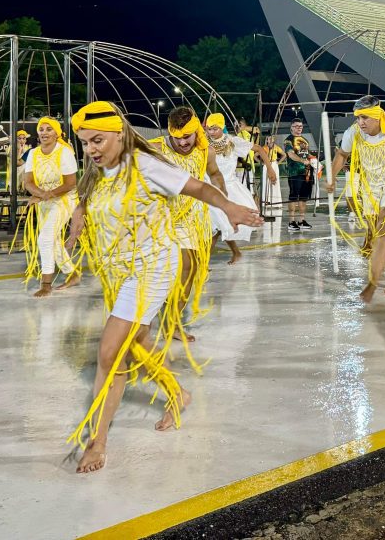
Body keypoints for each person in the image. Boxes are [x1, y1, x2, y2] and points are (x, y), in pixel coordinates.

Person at [64, 101, 263, 473]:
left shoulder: (146, 164)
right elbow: (88, 197)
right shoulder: (99, 170)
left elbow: (199, 188)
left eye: (98, 141)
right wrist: (78, 217)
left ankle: (98, 441)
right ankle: (177, 394)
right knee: (136, 346)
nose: (91, 149)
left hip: (152, 268)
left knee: (110, 354)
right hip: (121, 269)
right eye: (86, 142)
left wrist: (231, 209)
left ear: (119, 134)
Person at [326, 96, 385, 302]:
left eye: (365, 118)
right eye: (358, 117)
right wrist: (332, 178)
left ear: (378, 115)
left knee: (382, 232)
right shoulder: (353, 132)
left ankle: (383, 281)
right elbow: (342, 154)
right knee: (380, 236)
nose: (361, 122)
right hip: (371, 188)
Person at [150, 106, 228, 341]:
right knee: (157, 273)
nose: (183, 142)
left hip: (190, 220)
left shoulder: (206, 151)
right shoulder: (155, 148)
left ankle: (172, 322)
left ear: (196, 132)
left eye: (187, 137)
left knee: (189, 269)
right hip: (159, 217)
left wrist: (222, 196)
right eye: (178, 137)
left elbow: (214, 174)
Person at [204, 114, 275, 264]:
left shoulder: (232, 142)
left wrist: (270, 169)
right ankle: (235, 253)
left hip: (228, 189)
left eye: (215, 129)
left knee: (218, 227)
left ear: (222, 127)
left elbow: (260, 150)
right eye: (209, 129)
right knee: (217, 226)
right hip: (208, 188)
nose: (211, 132)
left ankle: (204, 263)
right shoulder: (202, 143)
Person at [23, 117, 79, 296]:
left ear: (57, 133)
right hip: (44, 201)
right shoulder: (33, 153)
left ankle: (46, 283)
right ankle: (72, 273)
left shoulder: (64, 152)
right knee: (53, 240)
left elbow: (70, 183)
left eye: (49, 129)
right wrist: (40, 195)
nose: (44, 132)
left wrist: (45, 195)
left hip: (64, 201)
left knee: (44, 239)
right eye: (41, 129)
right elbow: (28, 181)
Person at [283, 119, 314, 232]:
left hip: (306, 172)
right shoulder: (288, 140)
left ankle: (301, 220)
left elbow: (306, 153)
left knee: (303, 197)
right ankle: (291, 222)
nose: (299, 128)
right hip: (294, 172)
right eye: (296, 126)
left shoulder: (304, 140)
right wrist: (302, 161)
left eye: (300, 126)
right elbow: (291, 155)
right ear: (291, 127)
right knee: (293, 197)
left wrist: (314, 160)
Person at [261, 135, 285, 216]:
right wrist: (262, 163)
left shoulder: (276, 147)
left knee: (275, 183)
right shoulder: (264, 148)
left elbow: (284, 155)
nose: (270, 140)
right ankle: (266, 202)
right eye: (268, 138)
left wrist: (278, 162)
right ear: (267, 140)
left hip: (274, 164)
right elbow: (255, 156)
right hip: (267, 165)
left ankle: (276, 203)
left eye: (271, 138)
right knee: (266, 183)